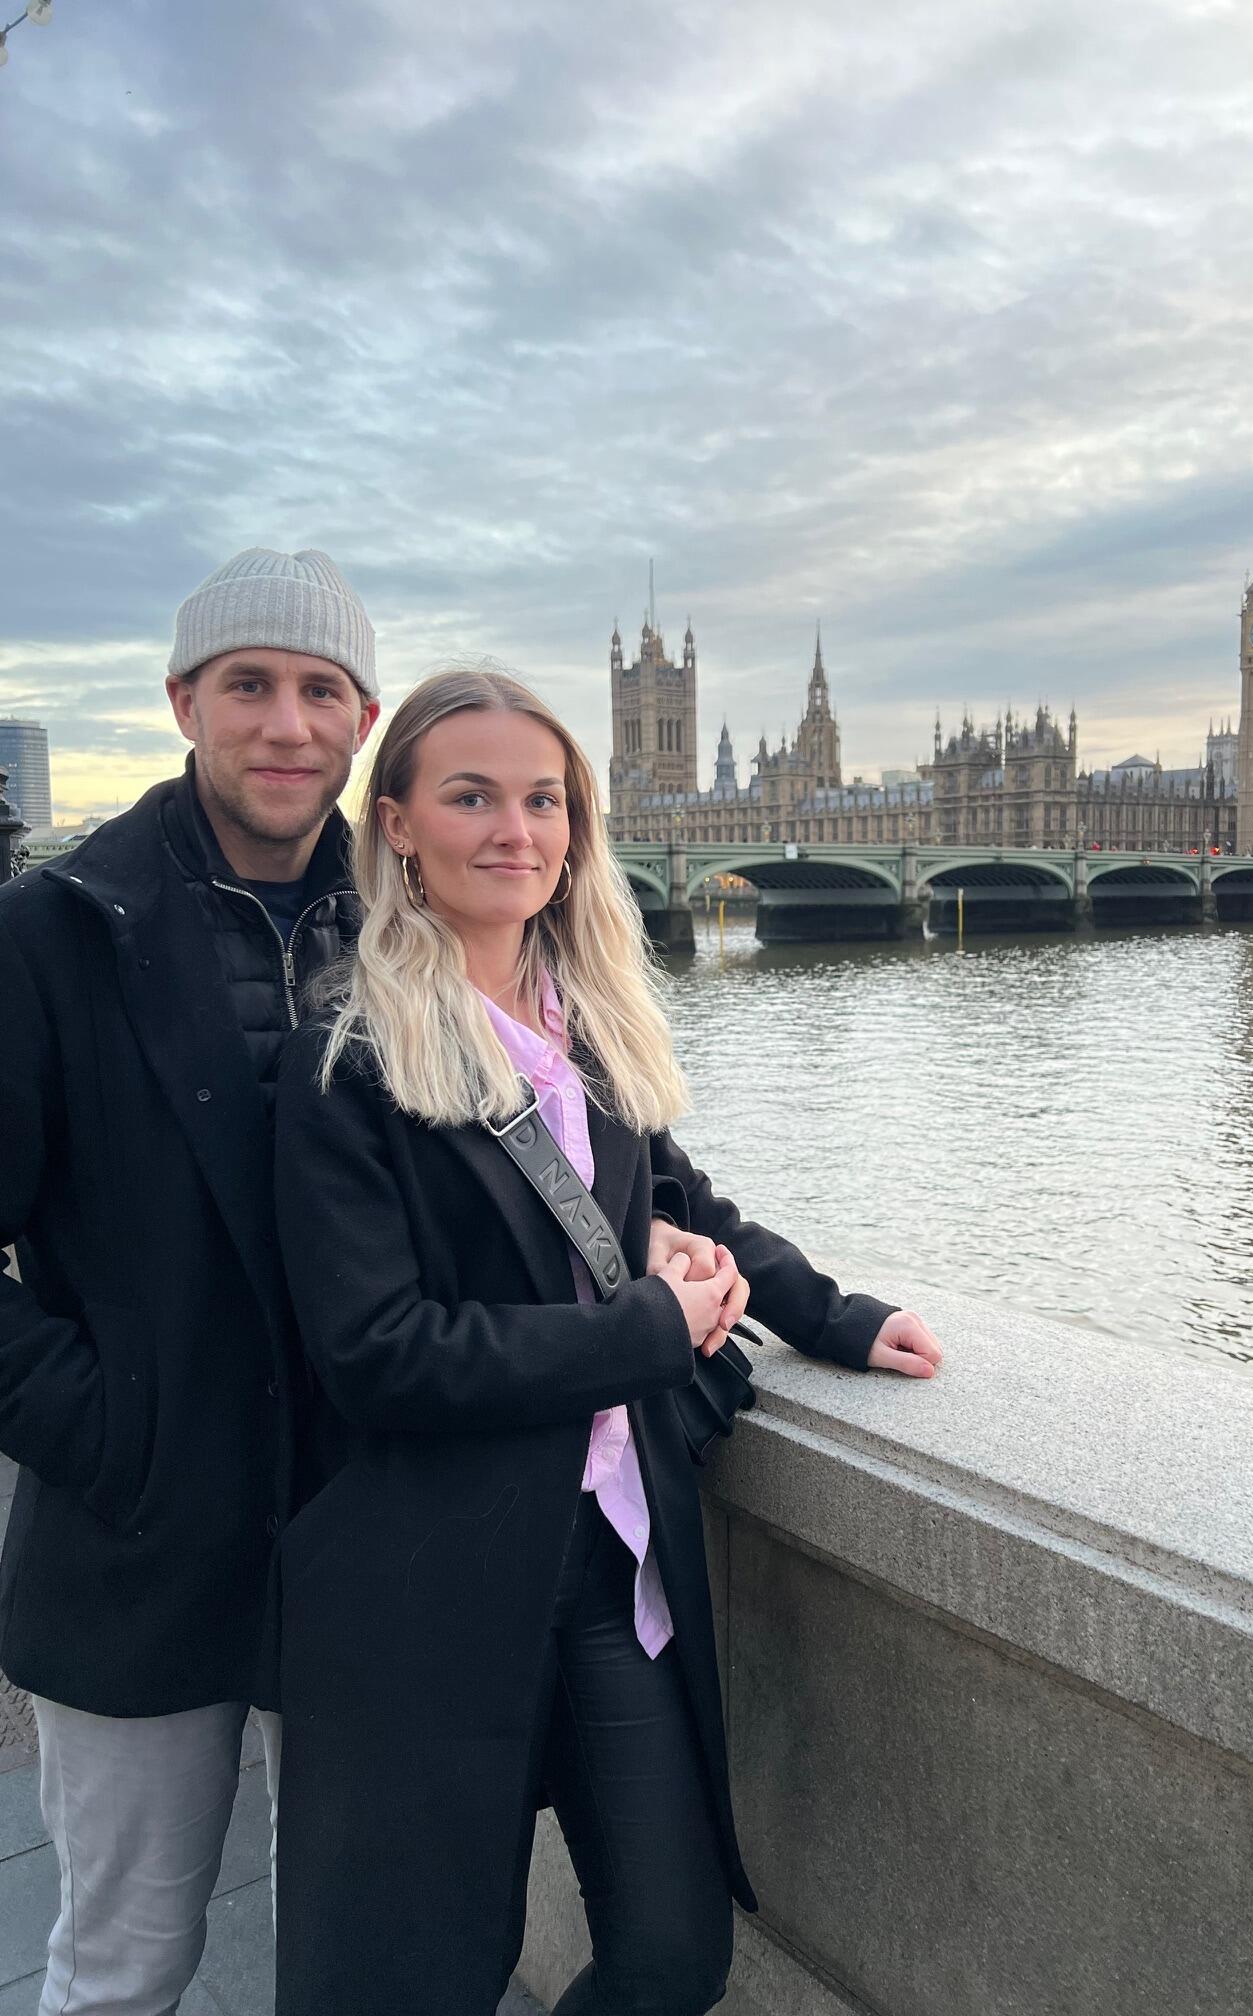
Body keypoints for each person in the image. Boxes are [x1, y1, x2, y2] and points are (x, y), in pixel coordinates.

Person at [272, 664, 944, 2016]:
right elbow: (381, 1354)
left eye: (543, 800)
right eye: (471, 797)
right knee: (416, 1979)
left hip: (613, 1563)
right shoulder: (346, 1057)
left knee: (672, 1950)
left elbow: (685, 1211)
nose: (514, 830)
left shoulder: (586, 1028)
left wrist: (835, 1315)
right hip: (435, 1591)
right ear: (398, 822)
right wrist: (646, 1332)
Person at [0, 548, 382, 2015]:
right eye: (250, 687)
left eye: (320, 691)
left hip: (357, 1528)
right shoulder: (53, 932)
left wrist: (778, 1289)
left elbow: (586, 1152)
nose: (287, 725)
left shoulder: (416, 926)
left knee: (346, 1954)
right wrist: (107, 1427)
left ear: (361, 718)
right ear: (183, 703)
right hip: (139, 1539)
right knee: (125, 1964)